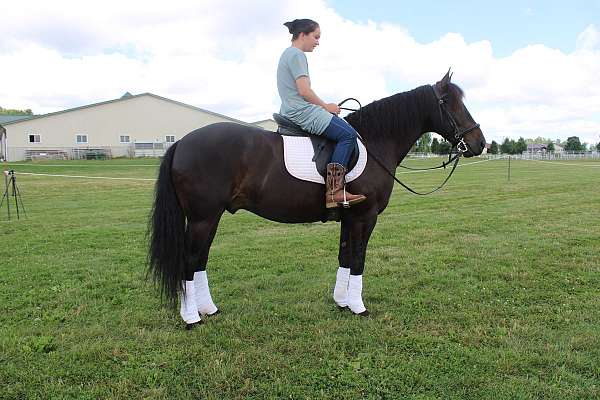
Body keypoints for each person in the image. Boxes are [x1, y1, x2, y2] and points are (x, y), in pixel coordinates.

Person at [277, 18, 366, 209]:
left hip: (290, 109)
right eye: (316, 37)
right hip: (302, 111)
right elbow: (304, 91)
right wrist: (326, 107)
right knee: (348, 134)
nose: (318, 42)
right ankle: (334, 191)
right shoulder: (297, 55)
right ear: (302, 35)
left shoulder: (287, 54)